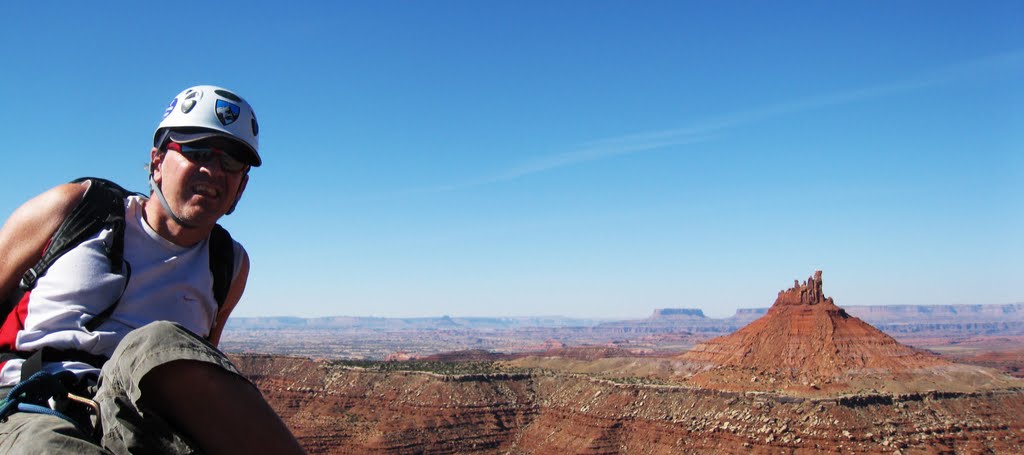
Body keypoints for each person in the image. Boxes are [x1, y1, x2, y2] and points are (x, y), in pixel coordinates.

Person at [0, 86, 306, 454]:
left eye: (231, 162)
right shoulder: (75, 208)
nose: (212, 169)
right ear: (157, 161)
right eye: (196, 151)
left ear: (241, 186)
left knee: (160, 342)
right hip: (38, 403)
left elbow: (200, 372)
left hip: (146, 421)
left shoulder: (229, 264)